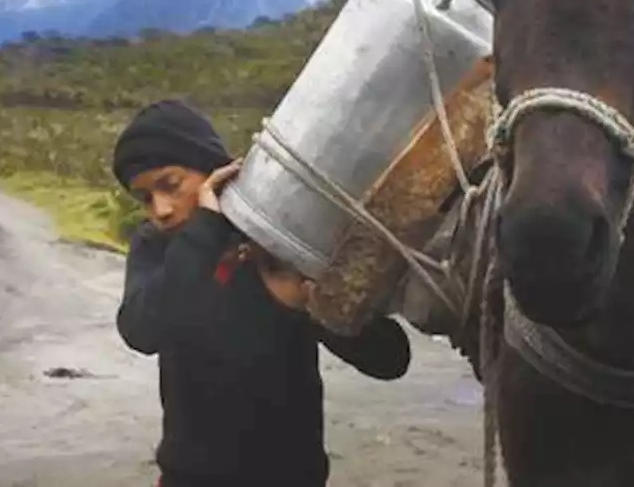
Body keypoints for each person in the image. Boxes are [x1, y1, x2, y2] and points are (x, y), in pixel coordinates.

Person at [112, 99, 412, 487]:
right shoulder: (156, 247)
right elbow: (141, 329)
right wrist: (206, 227)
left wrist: (313, 306)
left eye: (170, 185)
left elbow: (390, 358)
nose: (161, 209)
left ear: (212, 169)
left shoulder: (280, 237)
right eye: (145, 198)